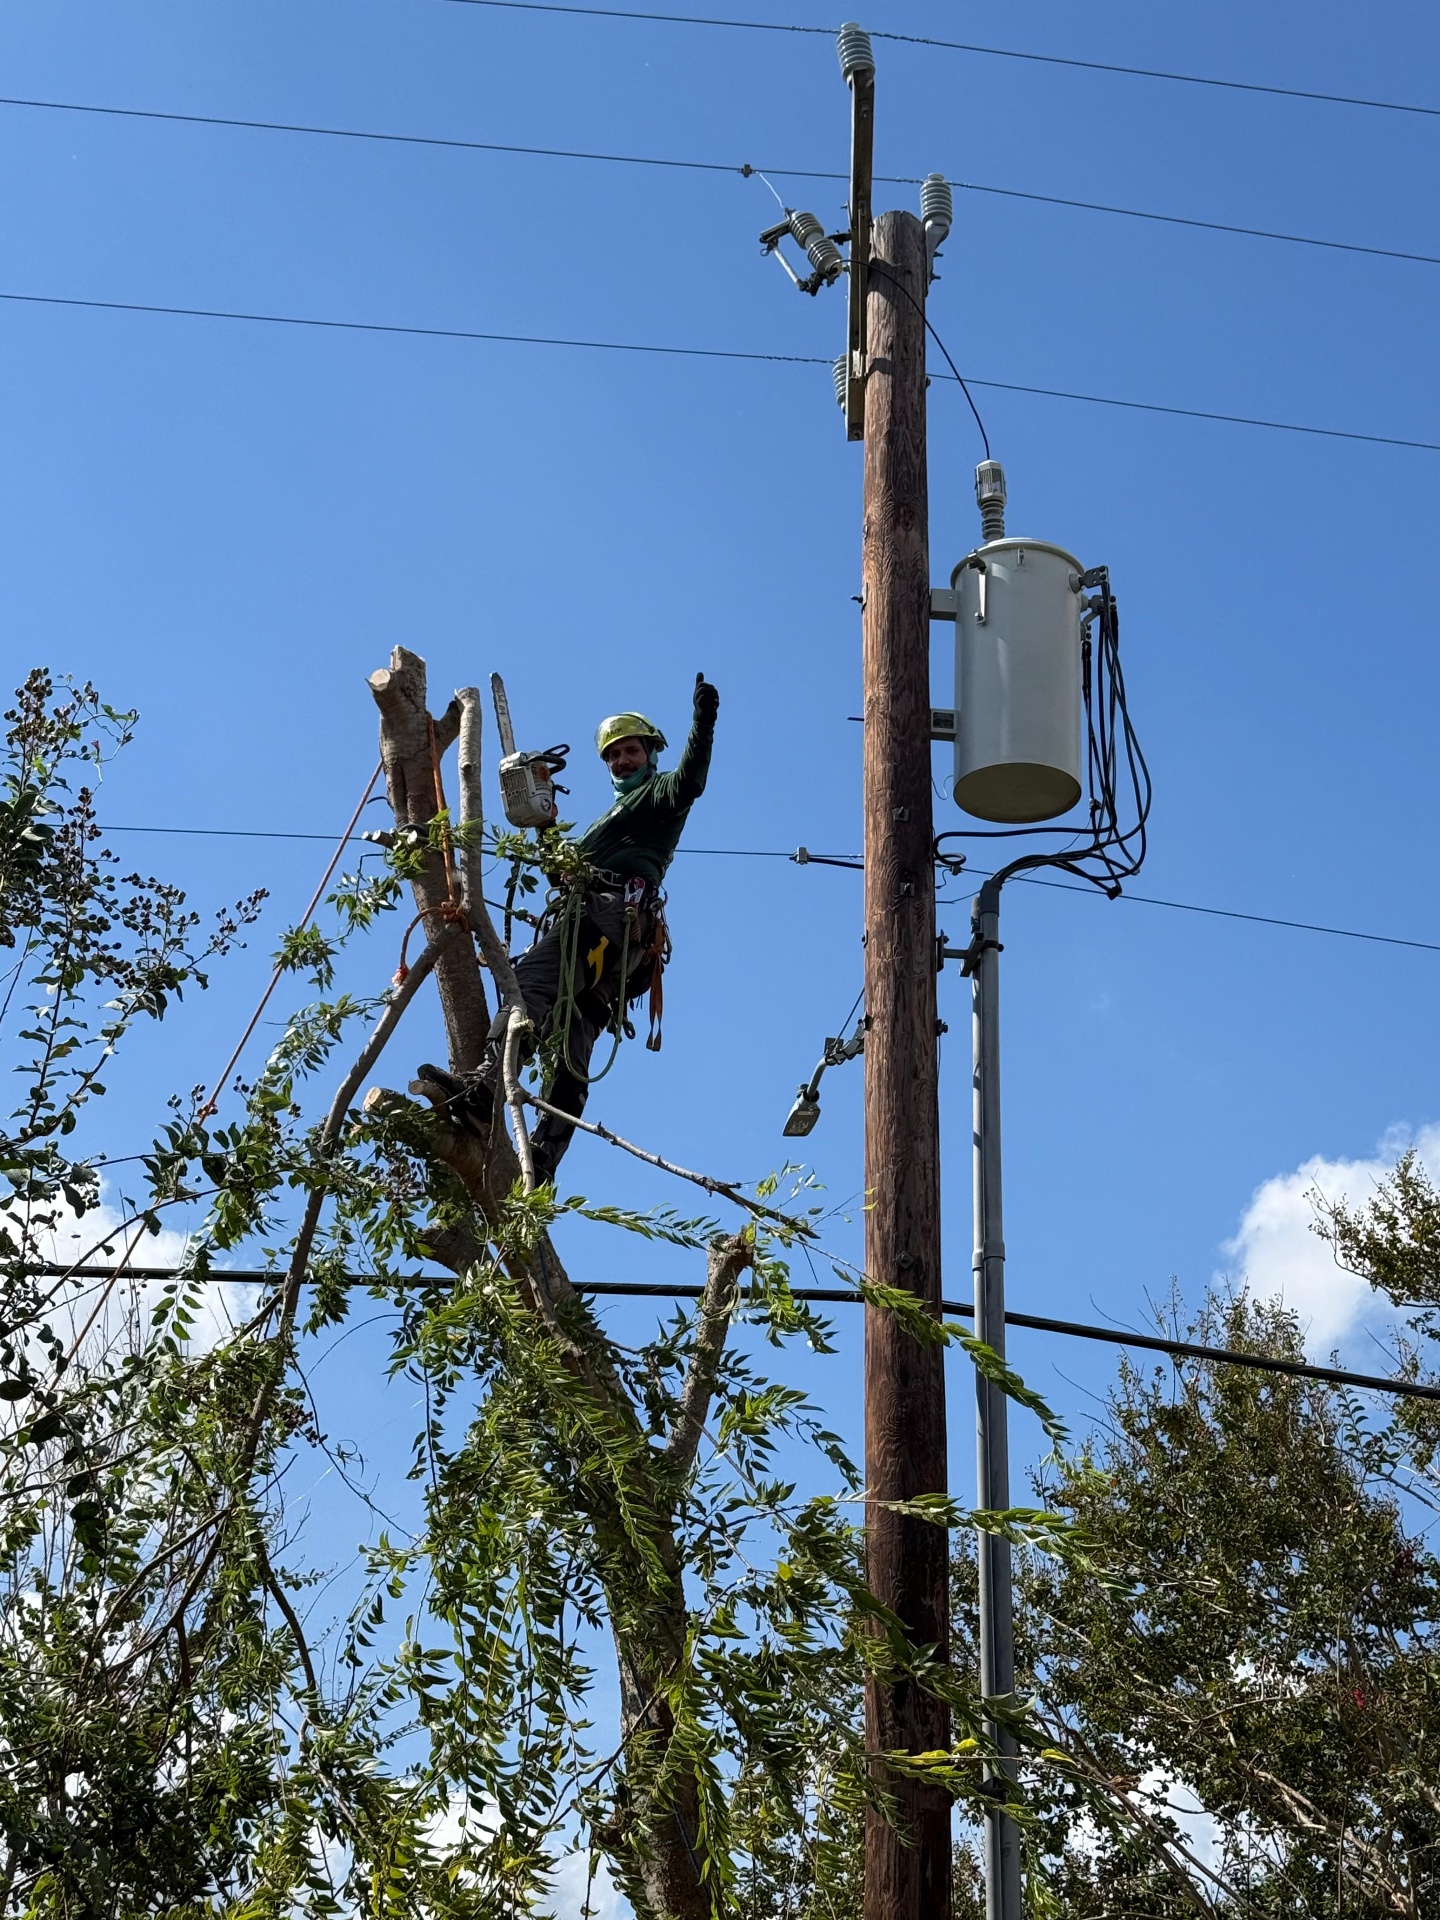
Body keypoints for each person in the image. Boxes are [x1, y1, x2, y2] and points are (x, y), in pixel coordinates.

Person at [420, 671, 719, 1182]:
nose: (622, 761)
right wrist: (546, 823)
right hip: (617, 947)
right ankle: (541, 1162)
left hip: (608, 919)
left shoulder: (662, 794)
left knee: (532, 984)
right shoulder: (614, 816)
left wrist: (703, 722)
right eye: (613, 756)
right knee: (573, 1048)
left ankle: (487, 1088)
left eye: (630, 751)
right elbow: (561, 871)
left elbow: (691, 778)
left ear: (650, 752)